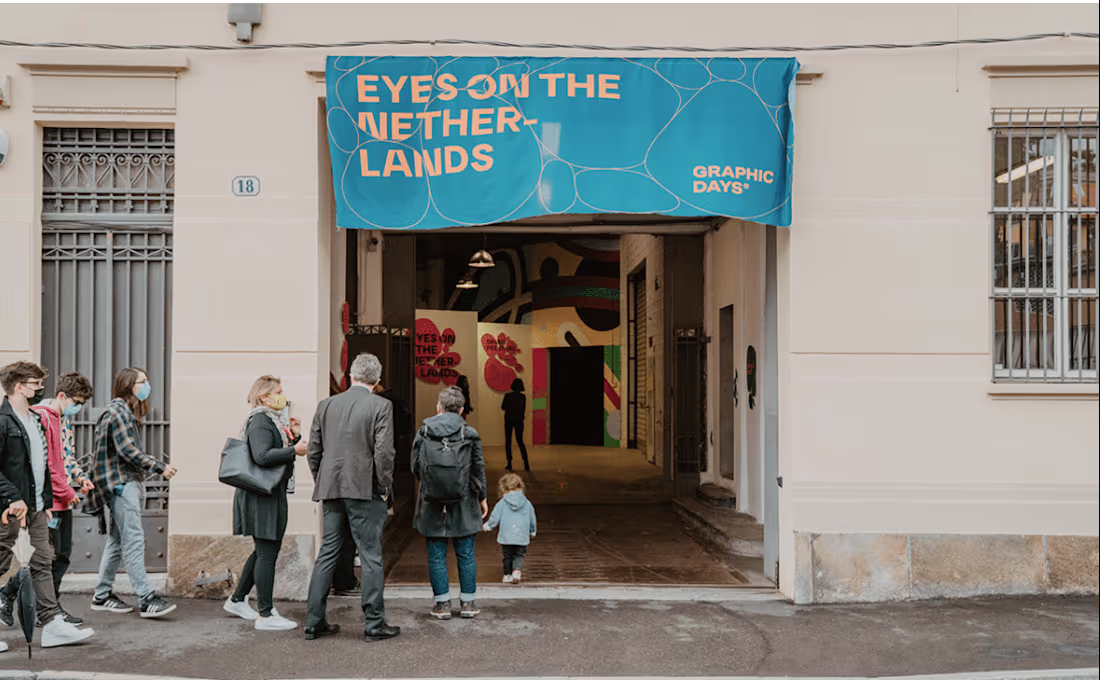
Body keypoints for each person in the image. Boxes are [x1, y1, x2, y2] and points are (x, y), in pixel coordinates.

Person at [304, 353, 399, 642]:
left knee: (328, 552)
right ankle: (373, 624)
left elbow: (313, 451)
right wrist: (384, 488)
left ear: (350, 376)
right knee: (370, 555)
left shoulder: (326, 405)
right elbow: (384, 453)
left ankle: (313, 621)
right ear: (378, 380)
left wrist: (323, 479)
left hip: (331, 488)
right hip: (365, 489)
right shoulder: (381, 405)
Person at [0, 362, 95, 648]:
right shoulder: (4, 422)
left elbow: (41, 466)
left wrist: (46, 500)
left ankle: (52, 624)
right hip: (9, 508)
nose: (42, 390)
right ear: (19, 387)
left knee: (43, 561)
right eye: (36, 385)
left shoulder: (37, 421)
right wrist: (13, 496)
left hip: (37, 507)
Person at [88, 367, 179, 618]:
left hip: (125, 482)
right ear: (129, 385)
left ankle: (102, 594)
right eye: (142, 381)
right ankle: (146, 597)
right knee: (133, 540)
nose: (147, 386)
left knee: (118, 541)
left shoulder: (124, 412)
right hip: (122, 484)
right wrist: (160, 467)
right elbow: (127, 451)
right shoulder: (118, 412)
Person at [223, 376, 308, 631]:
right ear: (264, 396)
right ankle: (266, 614)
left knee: (262, 551)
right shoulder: (261, 420)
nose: (282, 396)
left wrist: (294, 437)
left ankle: (237, 599)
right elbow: (262, 456)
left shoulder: (271, 420)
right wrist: (295, 450)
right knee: (268, 553)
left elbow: (273, 453)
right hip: (262, 498)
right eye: (278, 392)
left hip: (266, 495)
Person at [412, 385, 487, 620]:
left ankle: (442, 605)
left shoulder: (423, 432)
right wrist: (482, 497)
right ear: (462, 409)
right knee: (466, 553)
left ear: (438, 407)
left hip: (432, 502)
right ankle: (467, 604)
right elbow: (478, 468)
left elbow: (415, 467)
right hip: (464, 501)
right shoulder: (470, 433)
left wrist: (432, 483)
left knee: (436, 555)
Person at [483, 472, 537, 584]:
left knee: (507, 556)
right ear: (520, 486)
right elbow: (532, 518)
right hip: (522, 534)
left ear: (503, 488)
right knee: (519, 554)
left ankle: (507, 575)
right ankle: (517, 571)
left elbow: (495, 517)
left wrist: (488, 526)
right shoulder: (527, 503)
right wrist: (532, 531)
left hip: (506, 535)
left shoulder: (502, 503)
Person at [500, 378, 530, 472]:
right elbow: (523, 410)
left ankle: (509, 463)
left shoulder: (508, 395)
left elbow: (503, 407)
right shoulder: (522, 397)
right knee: (520, 441)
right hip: (519, 421)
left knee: (508, 441)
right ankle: (526, 463)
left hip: (509, 419)